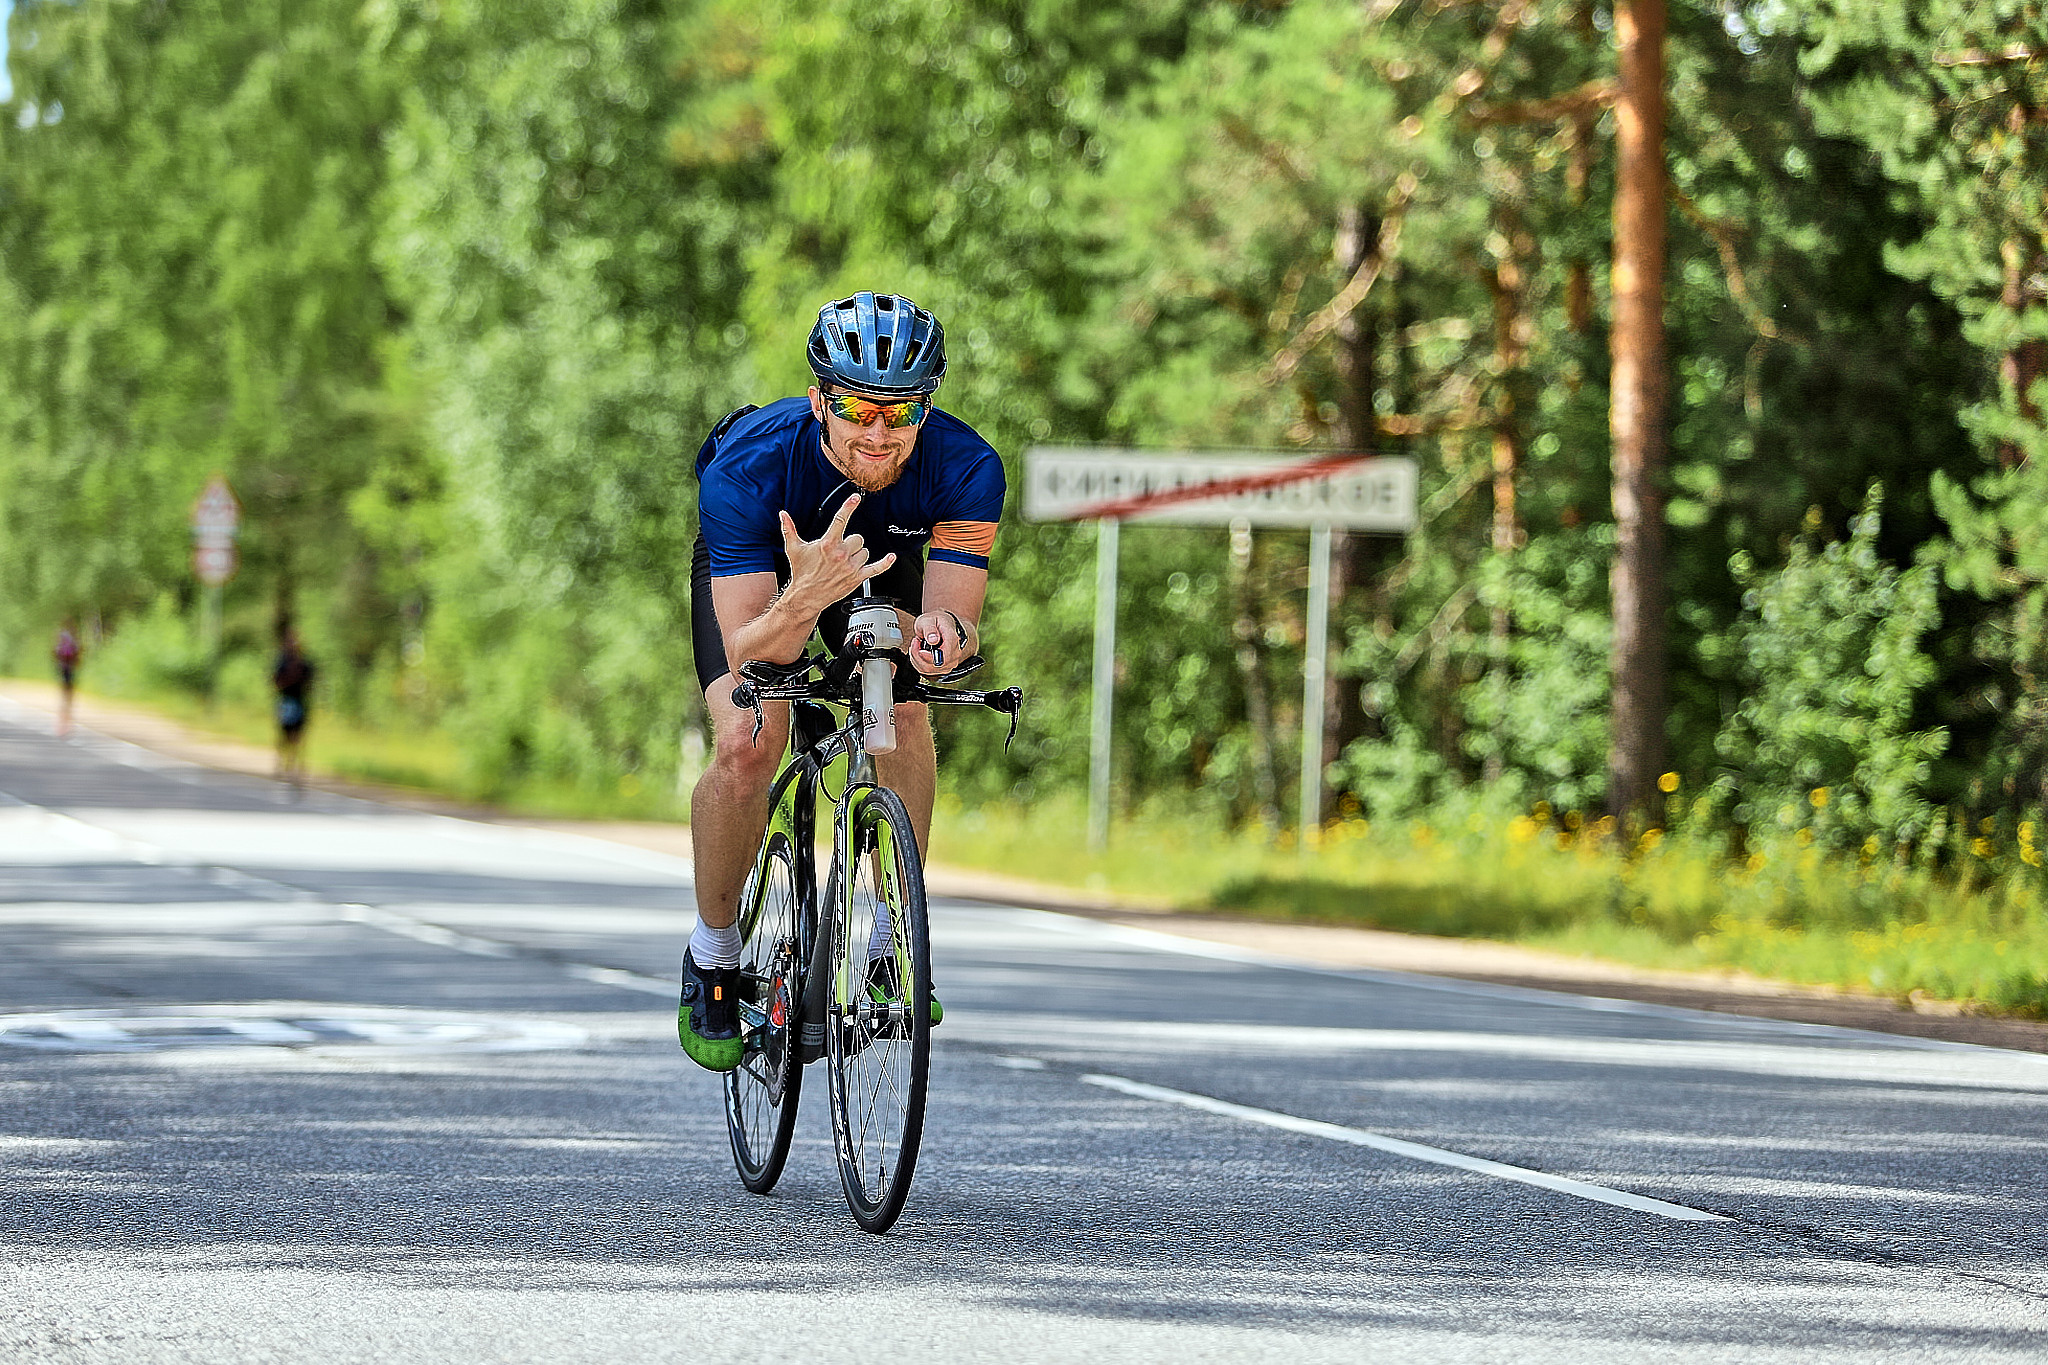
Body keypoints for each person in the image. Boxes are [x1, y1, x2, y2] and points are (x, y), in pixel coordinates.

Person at [679, 291, 1004, 1071]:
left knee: (905, 710)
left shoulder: (968, 467)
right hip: (771, 583)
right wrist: (807, 594)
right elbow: (752, 649)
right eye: (858, 407)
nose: (879, 433)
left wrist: (941, 643)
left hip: (883, 573)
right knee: (751, 738)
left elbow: (958, 619)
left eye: (902, 411)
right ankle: (714, 953)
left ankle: (896, 937)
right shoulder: (748, 465)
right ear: (822, 398)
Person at [272, 626, 316, 788]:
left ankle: (296, 766)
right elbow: (275, 681)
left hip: (299, 702)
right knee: (284, 734)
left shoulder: (304, 663)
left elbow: (310, 682)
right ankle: (282, 764)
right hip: (286, 701)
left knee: (298, 735)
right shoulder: (281, 662)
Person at [52, 620, 81, 737]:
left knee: (64, 694)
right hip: (70, 668)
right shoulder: (73, 640)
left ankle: (62, 721)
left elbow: (55, 652)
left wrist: (58, 663)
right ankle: (67, 720)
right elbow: (78, 654)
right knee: (69, 695)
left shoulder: (61, 638)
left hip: (63, 668)